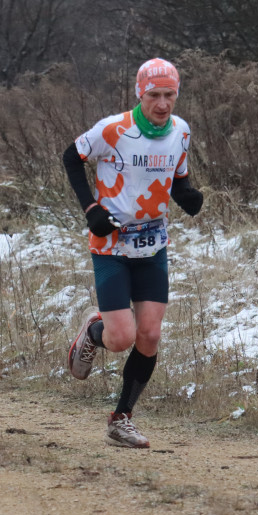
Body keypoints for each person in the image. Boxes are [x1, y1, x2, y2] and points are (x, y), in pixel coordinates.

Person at [61, 57, 204, 448]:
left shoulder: (181, 131)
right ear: (140, 94)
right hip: (111, 246)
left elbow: (176, 178)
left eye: (169, 95)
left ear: (177, 94)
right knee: (121, 338)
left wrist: (188, 196)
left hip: (153, 246)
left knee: (150, 334)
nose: (162, 104)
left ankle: (121, 419)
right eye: (154, 95)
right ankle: (94, 332)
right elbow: (71, 158)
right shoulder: (113, 129)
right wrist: (91, 210)